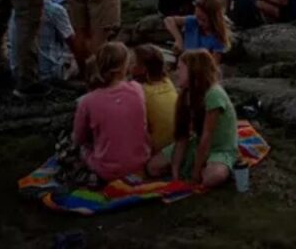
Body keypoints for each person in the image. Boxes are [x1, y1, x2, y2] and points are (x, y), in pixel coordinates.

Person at [146, 51, 237, 188]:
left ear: (194, 70)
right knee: (153, 167)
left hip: (219, 148)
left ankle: (209, 168)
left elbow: (207, 137)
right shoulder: (186, 94)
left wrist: (195, 175)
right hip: (196, 144)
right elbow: (182, 137)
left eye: (180, 69)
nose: (177, 73)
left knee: (212, 177)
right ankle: (194, 168)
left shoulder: (214, 94)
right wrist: (175, 173)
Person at [72, 42, 150, 183]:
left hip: (106, 169)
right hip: (139, 163)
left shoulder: (87, 101)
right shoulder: (137, 89)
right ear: (124, 66)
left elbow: (79, 138)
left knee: (79, 146)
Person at [7, 0, 76, 82]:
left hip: (17, 73)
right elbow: (73, 42)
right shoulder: (54, 9)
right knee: (77, 55)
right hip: (48, 73)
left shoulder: (14, 11)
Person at [131, 44, 179, 152]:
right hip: (175, 143)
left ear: (143, 69)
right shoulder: (167, 81)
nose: (130, 66)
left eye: (133, 63)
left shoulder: (139, 90)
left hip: (157, 148)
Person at [164, 0, 232, 62]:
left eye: (203, 20)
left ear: (213, 18)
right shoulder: (193, 21)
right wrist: (179, 40)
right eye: (197, 17)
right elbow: (169, 20)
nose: (199, 23)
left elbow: (213, 64)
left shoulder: (217, 38)